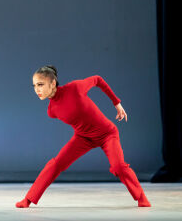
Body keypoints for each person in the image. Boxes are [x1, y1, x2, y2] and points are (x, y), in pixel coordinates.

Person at [16, 65, 151, 208]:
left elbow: (98, 79)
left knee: (118, 166)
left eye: (40, 85)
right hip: (83, 138)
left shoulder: (75, 88)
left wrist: (116, 103)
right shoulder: (51, 110)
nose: (37, 90)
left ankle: (141, 197)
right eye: (35, 86)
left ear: (53, 83)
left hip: (107, 134)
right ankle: (28, 199)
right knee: (56, 164)